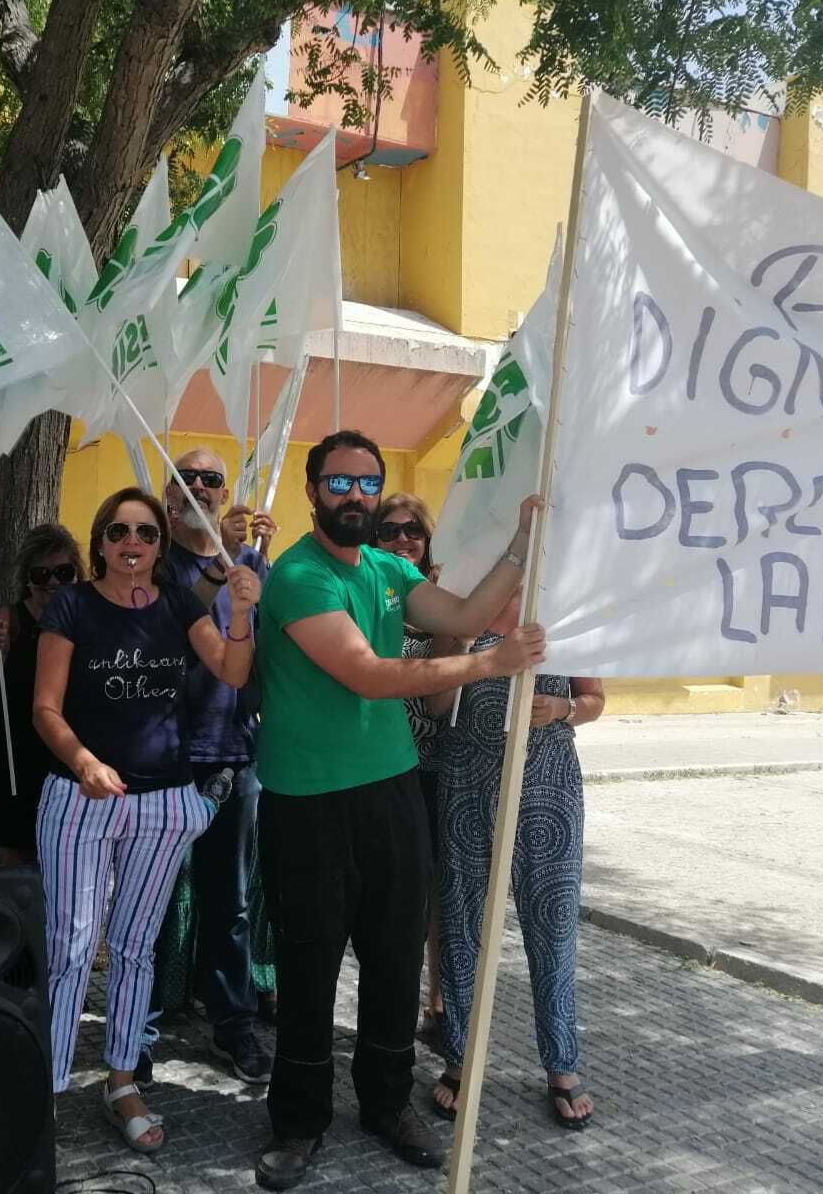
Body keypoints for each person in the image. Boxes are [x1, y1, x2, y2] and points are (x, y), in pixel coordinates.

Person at [251, 430, 546, 1191]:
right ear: (312, 491)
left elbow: (465, 611)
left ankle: (387, 1103)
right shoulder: (298, 578)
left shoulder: (387, 567)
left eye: (367, 483)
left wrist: (521, 540)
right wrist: (488, 663)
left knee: (390, 961)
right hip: (308, 800)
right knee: (310, 968)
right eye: (340, 483)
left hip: (389, 789)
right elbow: (369, 675)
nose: (355, 496)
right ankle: (298, 1121)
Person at [32, 487, 260, 1155]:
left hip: (161, 799)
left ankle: (122, 1080)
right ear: (100, 542)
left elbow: (231, 669)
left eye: (147, 533)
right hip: (81, 798)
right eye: (120, 532)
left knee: (136, 949)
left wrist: (240, 613)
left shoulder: (178, 604)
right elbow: (46, 709)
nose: (133, 543)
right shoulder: (71, 605)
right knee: (71, 949)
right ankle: (44, 1089)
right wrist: (83, 763)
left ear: (160, 546)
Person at [415, 588, 605, 1130]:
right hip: (467, 777)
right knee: (461, 924)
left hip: (546, 784)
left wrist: (563, 709)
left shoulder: (566, 612)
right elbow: (432, 705)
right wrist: (460, 649)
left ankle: (562, 1066)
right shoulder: (463, 609)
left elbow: (594, 699)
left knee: (552, 923)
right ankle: (459, 1059)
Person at [141, 449, 277, 1086]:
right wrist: (219, 566)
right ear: (168, 491)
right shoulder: (148, 555)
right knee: (151, 897)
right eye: (186, 477)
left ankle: (233, 1025)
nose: (198, 486)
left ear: (226, 492)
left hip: (232, 753)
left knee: (231, 900)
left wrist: (263, 570)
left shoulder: (249, 562)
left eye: (210, 479)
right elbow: (167, 632)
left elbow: (271, 646)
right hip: (162, 757)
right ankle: (134, 1031)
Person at [0, 523, 85, 866]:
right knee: (16, 866)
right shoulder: (10, 620)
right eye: (41, 573)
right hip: (15, 757)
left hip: (69, 756)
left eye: (63, 572)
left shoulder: (89, 617)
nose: (52, 583)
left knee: (64, 863)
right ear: (27, 578)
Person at [374, 492, 445, 1036]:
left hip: (440, 766)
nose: (402, 540)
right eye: (389, 531)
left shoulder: (445, 600)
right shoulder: (371, 594)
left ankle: (439, 1002)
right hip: (383, 770)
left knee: (442, 893)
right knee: (395, 901)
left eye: (412, 532)